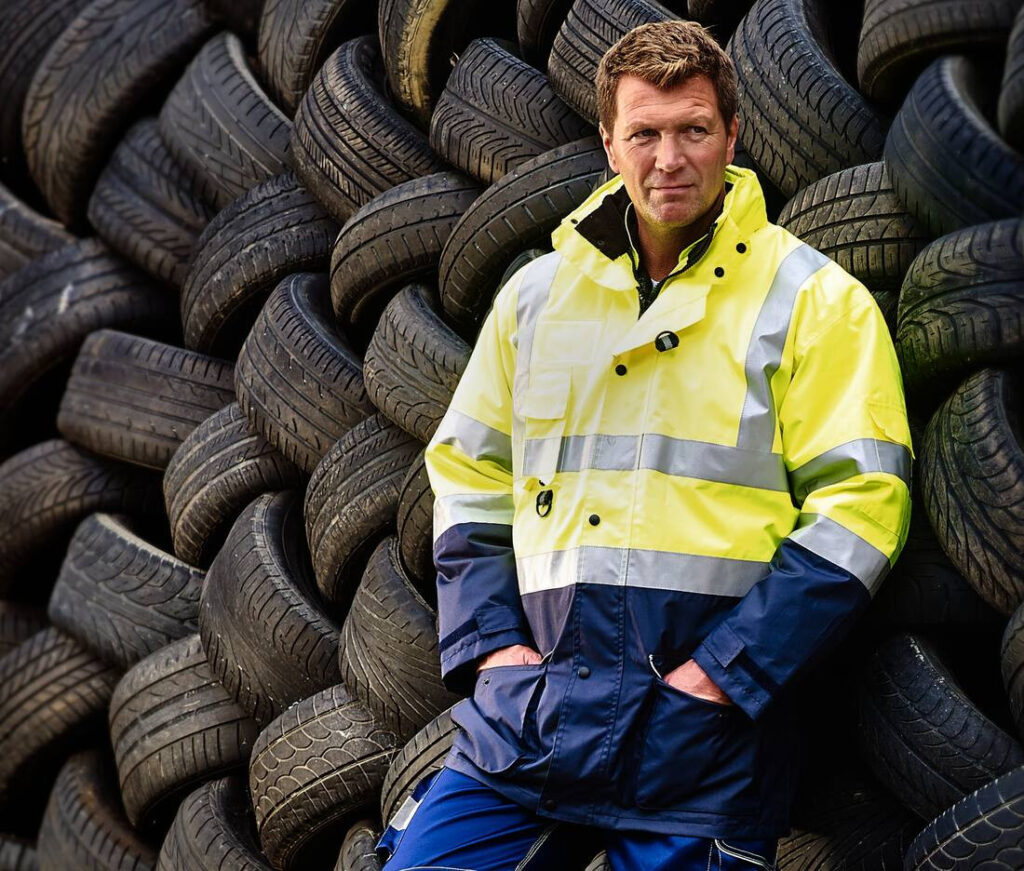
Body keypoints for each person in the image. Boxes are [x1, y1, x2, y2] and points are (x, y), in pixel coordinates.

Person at [378, 19, 913, 871]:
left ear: (732, 136)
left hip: (700, 742)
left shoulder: (814, 301)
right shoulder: (534, 300)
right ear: (607, 142)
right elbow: (468, 475)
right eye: (646, 134)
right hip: (528, 720)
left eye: (694, 130)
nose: (670, 158)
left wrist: (719, 679)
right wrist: (492, 650)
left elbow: (862, 509)